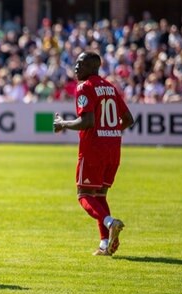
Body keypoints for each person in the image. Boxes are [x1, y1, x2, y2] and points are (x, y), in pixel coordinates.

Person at [53, 51, 134, 256]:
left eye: (81, 64)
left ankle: (110, 222)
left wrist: (63, 124)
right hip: (113, 150)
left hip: (93, 150)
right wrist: (110, 132)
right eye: (76, 63)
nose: (76, 67)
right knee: (99, 195)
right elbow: (129, 119)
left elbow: (86, 121)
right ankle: (104, 245)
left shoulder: (85, 87)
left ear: (92, 67)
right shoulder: (110, 87)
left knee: (84, 195)